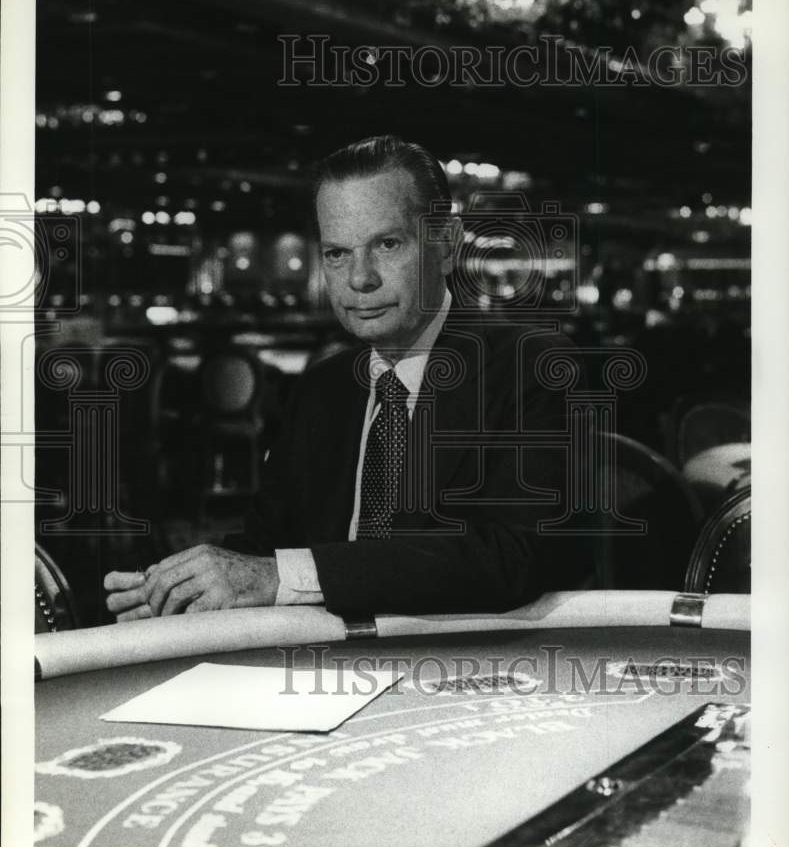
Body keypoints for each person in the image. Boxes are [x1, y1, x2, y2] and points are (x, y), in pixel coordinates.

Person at [105, 136, 590, 621]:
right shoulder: (323, 388)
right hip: (320, 668)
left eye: (387, 244)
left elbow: (513, 557)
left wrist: (288, 577)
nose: (360, 278)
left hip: (469, 670)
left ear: (446, 244)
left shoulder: (534, 367)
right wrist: (187, 591)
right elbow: (265, 549)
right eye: (338, 253)